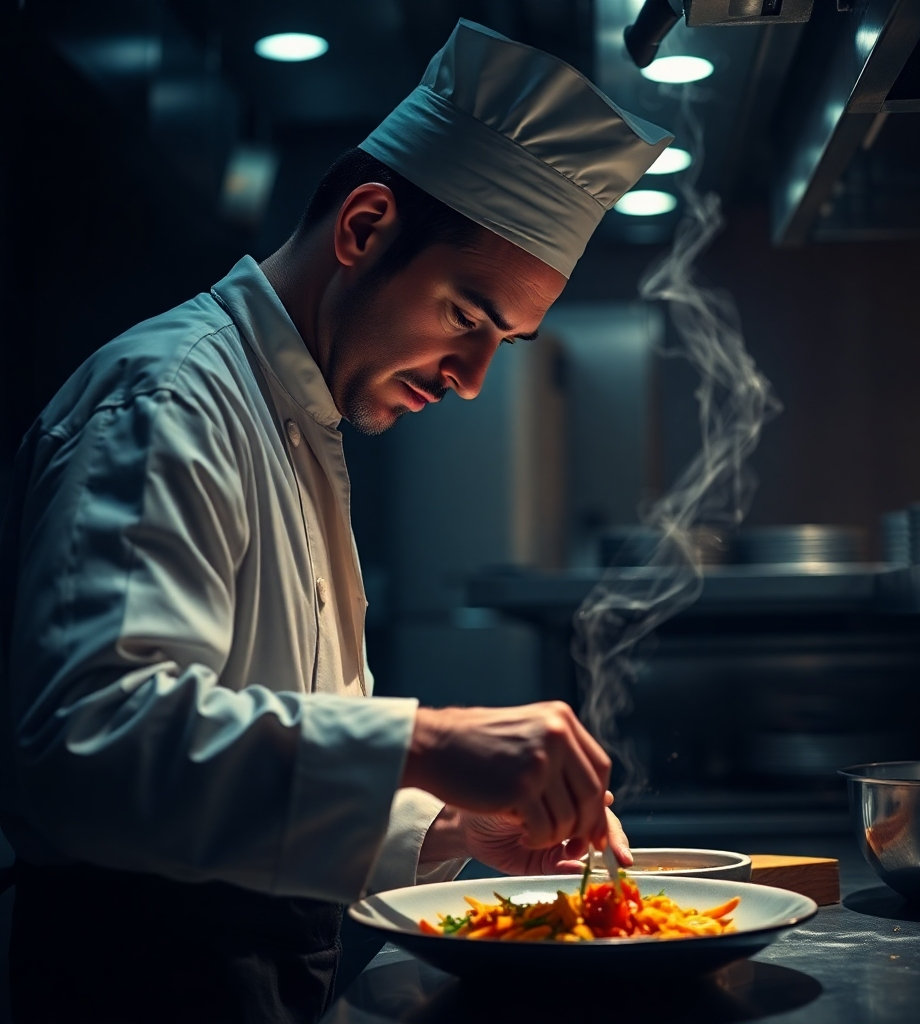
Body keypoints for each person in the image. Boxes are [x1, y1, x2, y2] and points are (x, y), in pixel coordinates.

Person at [0, 18, 672, 1024]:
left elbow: (248, 742)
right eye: (468, 318)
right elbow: (87, 742)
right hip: (134, 981)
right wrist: (427, 738)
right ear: (363, 227)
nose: (475, 380)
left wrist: (444, 824)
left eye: (506, 341)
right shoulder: (170, 399)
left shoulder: (294, 417)